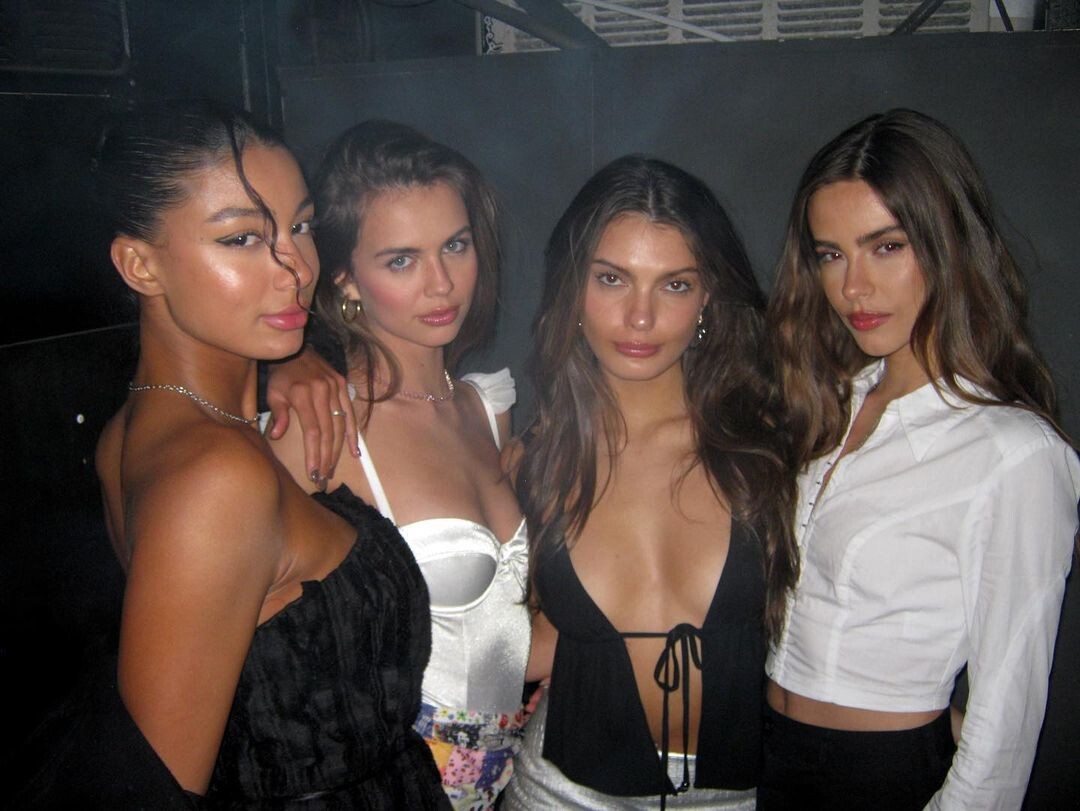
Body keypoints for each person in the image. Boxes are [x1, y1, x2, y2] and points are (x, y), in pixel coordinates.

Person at [17, 101, 446, 808]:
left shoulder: (140, 425)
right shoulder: (217, 475)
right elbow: (153, 791)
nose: (295, 269)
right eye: (242, 238)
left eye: (300, 226)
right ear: (140, 265)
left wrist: (290, 359)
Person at [762, 108, 1080, 809]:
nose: (853, 287)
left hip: (882, 777)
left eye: (886, 247)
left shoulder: (1013, 454)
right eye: (831, 254)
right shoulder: (827, 407)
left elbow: (1007, 716)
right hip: (769, 758)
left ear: (948, 245)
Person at [501, 155, 799, 809]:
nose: (640, 317)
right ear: (573, 288)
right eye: (612, 279)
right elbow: (522, 646)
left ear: (708, 296)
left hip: (736, 796)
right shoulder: (532, 463)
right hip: (563, 793)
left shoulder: (772, 451)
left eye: (674, 285)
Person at [266, 120, 529, 810]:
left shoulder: (486, 407)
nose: (442, 284)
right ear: (345, 277)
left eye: (456, 246)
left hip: (511, 786)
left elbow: (499, 627)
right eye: (402, 260)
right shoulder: (321, 428)